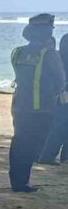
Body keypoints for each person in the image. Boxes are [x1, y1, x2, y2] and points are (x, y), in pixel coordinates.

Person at [9, 15, 66, 191]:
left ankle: (16, 180)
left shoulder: (18, 52)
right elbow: (60, 81)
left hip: (19, 105)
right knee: (31, 144)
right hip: (41, 108)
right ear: (47, 33)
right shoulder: (49, 54)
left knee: (19, 141)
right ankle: (22, 182)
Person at [40, 33, 68, 164]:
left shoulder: (63, 43)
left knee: (60, 124)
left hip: (61, 91)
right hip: (64, 91)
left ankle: (53, 155)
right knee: (61, 124)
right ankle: (50, 155)